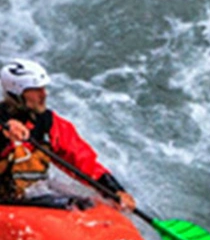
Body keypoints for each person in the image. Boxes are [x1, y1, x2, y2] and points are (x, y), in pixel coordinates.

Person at [0, 59, 136, 210]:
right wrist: (4, 131)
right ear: (18, 93)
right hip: (4, 201)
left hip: (29, 193)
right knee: (65, 205)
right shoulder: (4, 123)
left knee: (87, 204)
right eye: (36, 89)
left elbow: (81, 159)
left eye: (43, 88)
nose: (44, 94)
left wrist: (114, 189)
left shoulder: (47, 122)